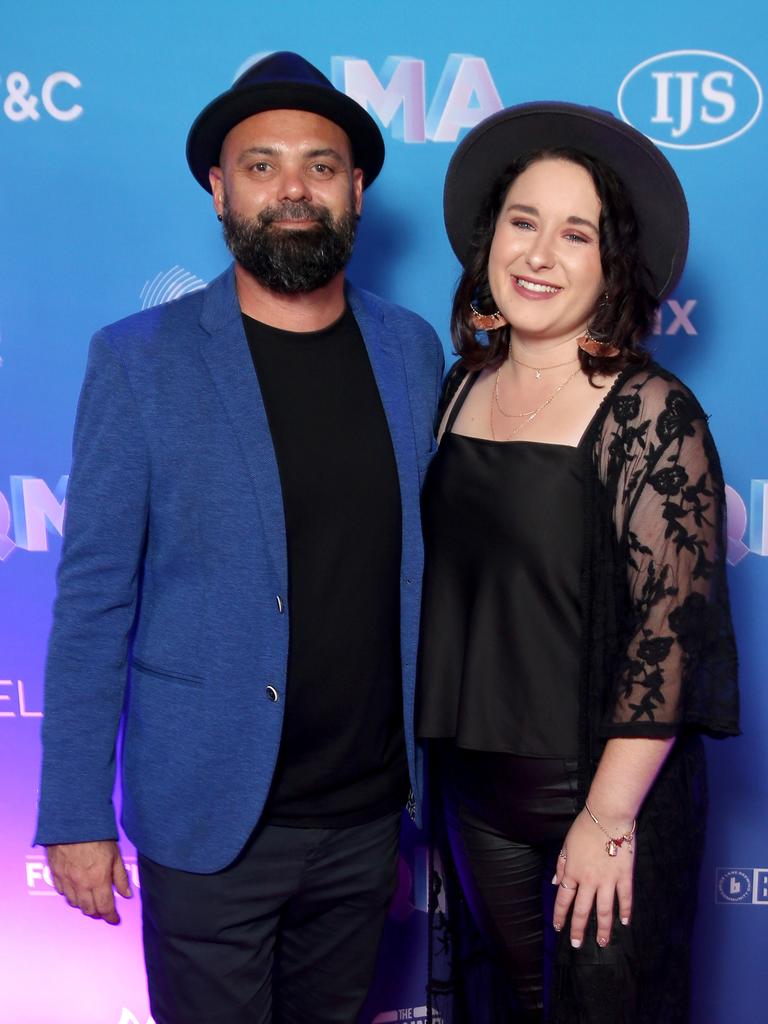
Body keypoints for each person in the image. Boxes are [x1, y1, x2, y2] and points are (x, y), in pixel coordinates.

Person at [34, 51, 443, 1024]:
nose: (292, 188)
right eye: (261, 165)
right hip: (209, 819)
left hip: (366, 819)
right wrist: (76, 814)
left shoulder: (413, 350)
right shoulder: (138, 362)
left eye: (321, 164)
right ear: (219, 189)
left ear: (358, 188)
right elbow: (94, 600)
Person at [417, 102, 739, 1023]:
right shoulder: (459, 389)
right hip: (473, 791)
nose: (539, 254)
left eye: (575, 233)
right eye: (523, 222)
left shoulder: (651, 412)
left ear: (611, 265)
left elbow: (669, 635)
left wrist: (605, 821)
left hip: (594, 794)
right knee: (506, 1009)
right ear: (489, 242)